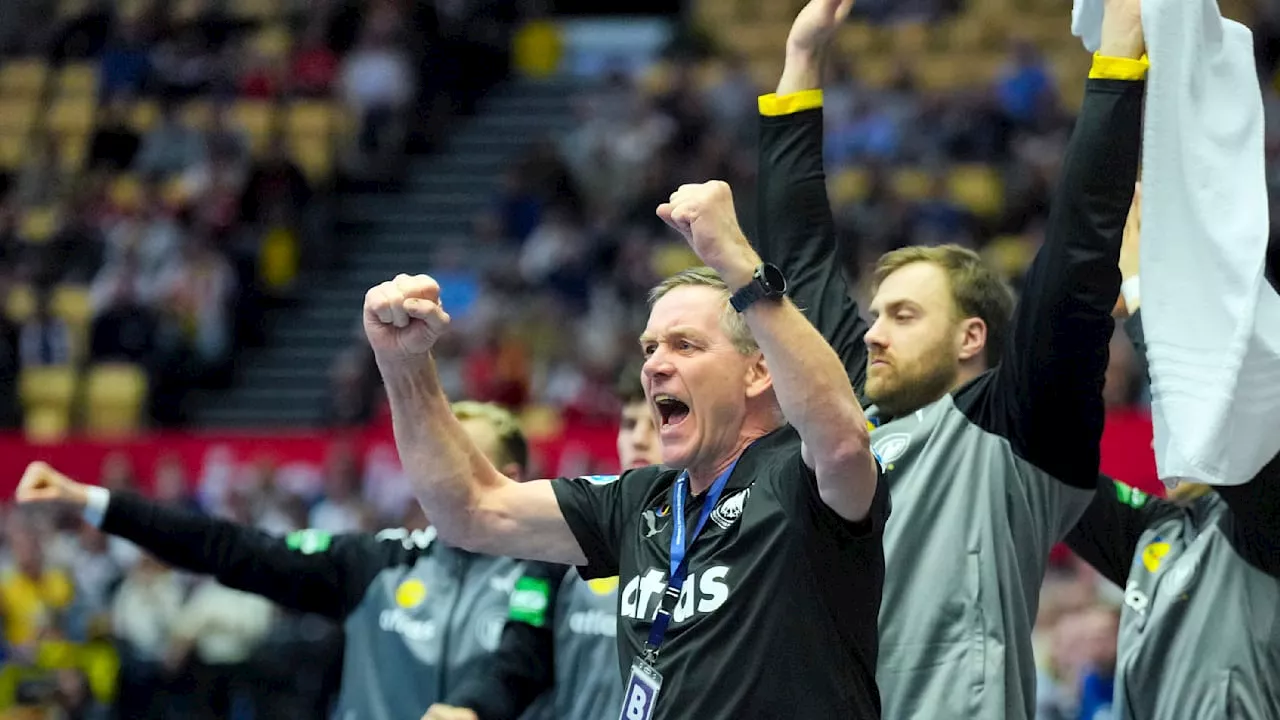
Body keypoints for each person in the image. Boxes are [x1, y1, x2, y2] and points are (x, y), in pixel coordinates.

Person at [364, 179, 889, 719]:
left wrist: (737, 263)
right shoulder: (640, 500)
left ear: (759, 371)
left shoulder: (799, 480)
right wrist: (403, 365)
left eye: (685, 345)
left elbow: (845, 441)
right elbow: (470, 509)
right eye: (649, 348)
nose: (655, 364)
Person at [752, 0, 1143, 717]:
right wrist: (801, 61)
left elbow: (1075, 251)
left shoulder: (1016, 426)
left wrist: (1117, 56)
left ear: (971, 338)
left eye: (903, 316)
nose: (871, 333)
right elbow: (801, 266)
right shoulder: (857, 418)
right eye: (874, 314)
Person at [15, 401, 536, 720]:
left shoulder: (551, 576)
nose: (435, 470)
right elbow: (229, 547)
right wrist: (94, 503)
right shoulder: (378, 562)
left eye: (459, 455)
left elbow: (522, 672)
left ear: (509, 475)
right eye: (433, 452)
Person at [1064, 186, 1280, 719]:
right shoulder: (1159, 532)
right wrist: (1084, 308)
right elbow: (1044, 451)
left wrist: (1144, 294)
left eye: (1175, 408)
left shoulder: (1266, 521)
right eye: (1160, 411)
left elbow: (1225, 435)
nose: (1166, 430)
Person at [424, 368, 659, 720]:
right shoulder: (572, 532)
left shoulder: (718, 537)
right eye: (628, 425)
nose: (638, 439)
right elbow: (521, 656)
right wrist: (471, 708)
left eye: (653, 424)